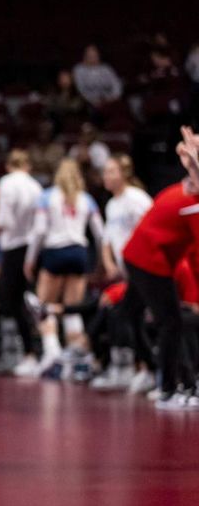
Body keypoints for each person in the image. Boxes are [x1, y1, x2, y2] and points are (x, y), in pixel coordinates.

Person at [119, 127, 199, 409]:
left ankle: (158, 374)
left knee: (128, 314)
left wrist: (191, 157)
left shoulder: (186, 191)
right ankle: (170, 389)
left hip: (138, 256)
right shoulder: (192, 206)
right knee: (171, 323)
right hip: (149, 261)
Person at [23, 159, 105, 380]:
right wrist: (101, 261)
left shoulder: (47, 197)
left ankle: (52, 353)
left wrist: (30, 259)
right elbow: (100, 233)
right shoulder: (86, 199)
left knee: (43, 307)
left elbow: (39, 231)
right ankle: (74, 361)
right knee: (72, 309)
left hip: (55, 252)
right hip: (79, 253)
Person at [89, 154, 154, 390]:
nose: (106, 176)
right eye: (105, 171)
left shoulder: (136, 198)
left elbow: (152, 229)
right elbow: (107, 239)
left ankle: (147, 369)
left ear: (124, 174)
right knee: (127, 316)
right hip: (128, 272)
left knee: (132, 316)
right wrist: (109, 264)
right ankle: (141, 368)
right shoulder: (112, 204)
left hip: (144, 268)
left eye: (111, 171)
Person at [0, 150, 44, 374]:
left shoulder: (6, 183)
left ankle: (28, 353)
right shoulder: (36, 186)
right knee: (31, 298)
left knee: (14, 301)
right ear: (27, 165)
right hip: (33, 246)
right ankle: (40, 349)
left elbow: (4, 219)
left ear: (8, 165)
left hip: (14, 246)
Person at [72, 44, 123, 109]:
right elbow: (80, 89)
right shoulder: (79, 69)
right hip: (89, 102)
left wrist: (113, 97)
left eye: (94, 55)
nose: (92, 58)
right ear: (84, 56)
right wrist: (93, 101)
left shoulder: (106, 68)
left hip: (109, 100)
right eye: (89, 55)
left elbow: (116, 84)